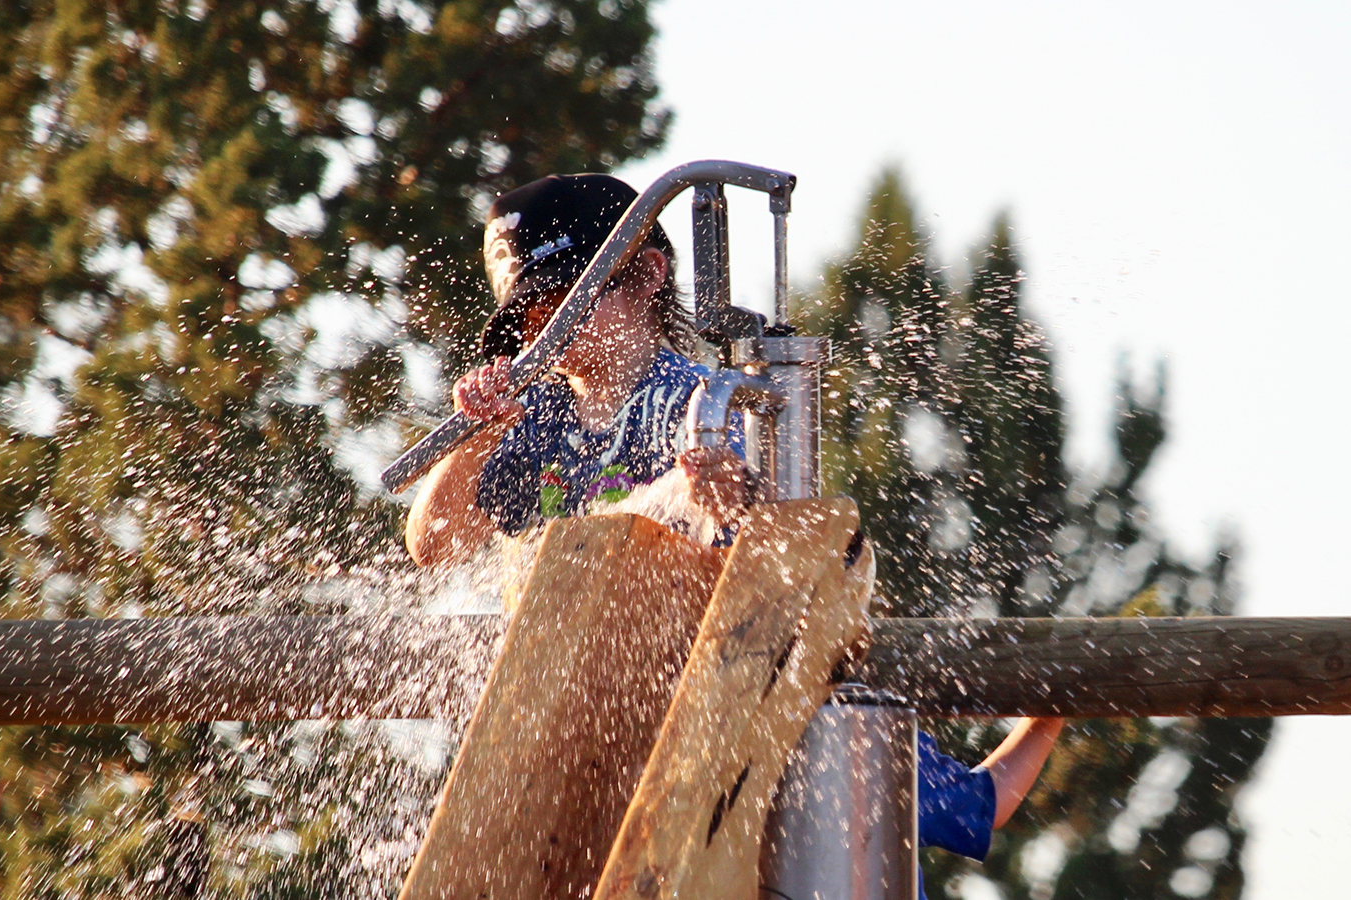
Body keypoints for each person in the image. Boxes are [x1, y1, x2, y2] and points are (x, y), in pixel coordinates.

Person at [403, 172, 1064, 875]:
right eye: (527, 319)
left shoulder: (703, 406)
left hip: (718, 704)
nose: (546, 332)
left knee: (861, 765)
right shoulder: (535, 424)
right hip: (590, 728)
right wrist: (480, 429)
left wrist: (1052, 691)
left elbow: (779, 567)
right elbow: (433, 541)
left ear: (646, 276)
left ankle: (1051, 711)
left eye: (562, 302)